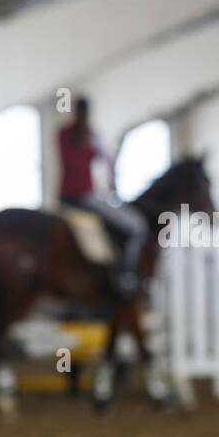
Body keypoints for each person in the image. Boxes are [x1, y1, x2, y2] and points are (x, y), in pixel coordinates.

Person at [57, 97, 148, 296]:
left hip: (68, 195)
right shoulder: (80, 135)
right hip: (81, 197)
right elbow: (106, 163)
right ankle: (126, 275)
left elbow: (105, 161)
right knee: (135, 227)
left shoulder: (71, 134)